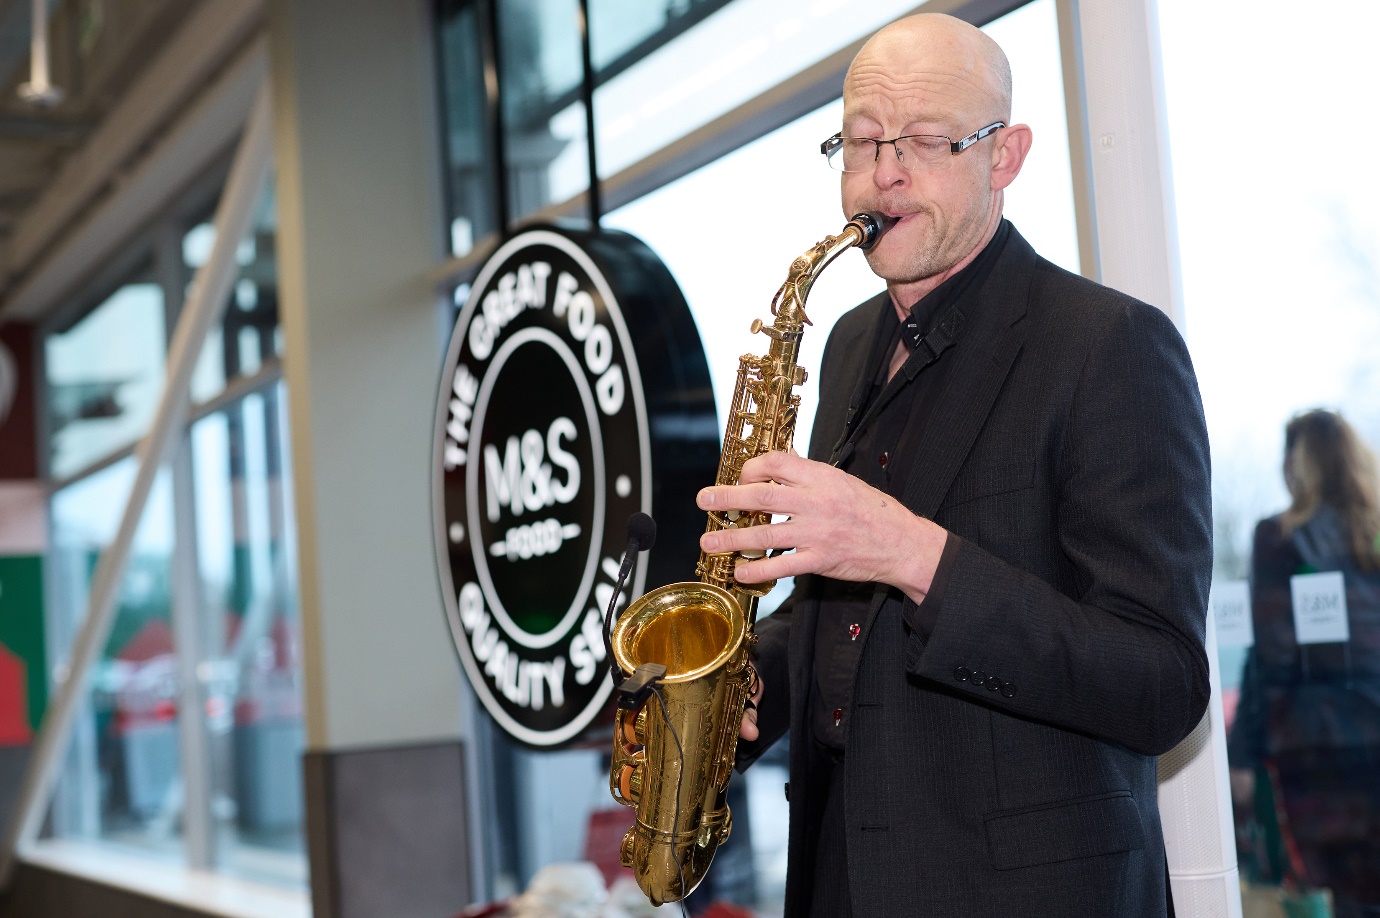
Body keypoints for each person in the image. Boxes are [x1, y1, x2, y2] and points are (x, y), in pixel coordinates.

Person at [696, 13, 1213, 917]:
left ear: (1004, 156)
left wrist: (913, 554)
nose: (884, 173)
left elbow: (1161, 684)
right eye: (862, 141)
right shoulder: (848, 342)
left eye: (927, 141)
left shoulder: (1111, 344)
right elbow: (843, 618)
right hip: (840, 880)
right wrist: (739, 687)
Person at [1228, 410, 1380, 917]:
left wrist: (1243, 753)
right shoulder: (1373, 538)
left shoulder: (1280, 538)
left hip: (1318, 748)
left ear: (1300, 464)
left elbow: (1272, 654)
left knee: (1343, 893)